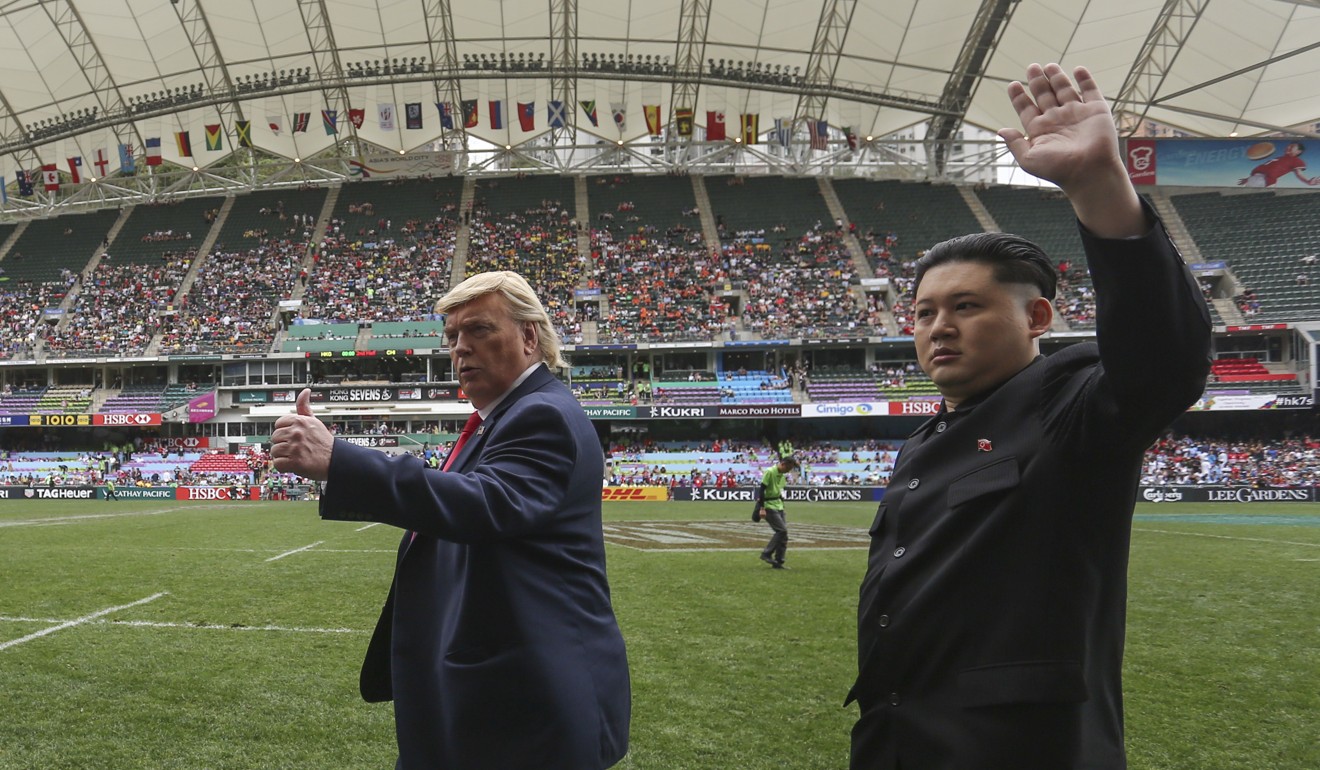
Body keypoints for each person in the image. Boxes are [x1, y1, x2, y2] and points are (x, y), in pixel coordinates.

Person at [847, 63, 1211, 769]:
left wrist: (1100, 186)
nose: (938, 327)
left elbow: (1163, 361)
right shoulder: (926, 438)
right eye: (923, 313)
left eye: (966, 306)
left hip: (1017, 749)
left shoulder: (1068, 403)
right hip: (898, 742)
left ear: (1037, 316)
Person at [270, 271, 630, 770]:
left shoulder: (540, 414)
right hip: (495, 696)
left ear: (529, 337)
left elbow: (482, 504)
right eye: (453, 336)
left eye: (480, 329)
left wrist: (340, 460)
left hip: (524, 707)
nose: (460, 348)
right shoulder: (505, 418)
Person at [753, 456, 799, 569]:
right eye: (789, 468)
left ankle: (779, 561)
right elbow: (762, 490)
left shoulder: (781, 475)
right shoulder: (770, 472)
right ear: (783, 464)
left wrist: (782, 504)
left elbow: (779, 490)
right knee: (782, 530)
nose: (789, 471)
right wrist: (762, 508)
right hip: (769, 505)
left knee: (784, 535)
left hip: (778, 505)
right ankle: (766, 553)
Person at [1238, 142, 1317, 188]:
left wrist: (1307, 181)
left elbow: (1299, 174)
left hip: (1266, 181)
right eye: (1289, 146)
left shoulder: (1296, 160)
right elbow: (1265, 168)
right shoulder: (1280, 158)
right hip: (1257, 178)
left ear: (1298, 151)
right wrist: (1249, 178)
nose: (1288, 147)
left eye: (1292, 147)